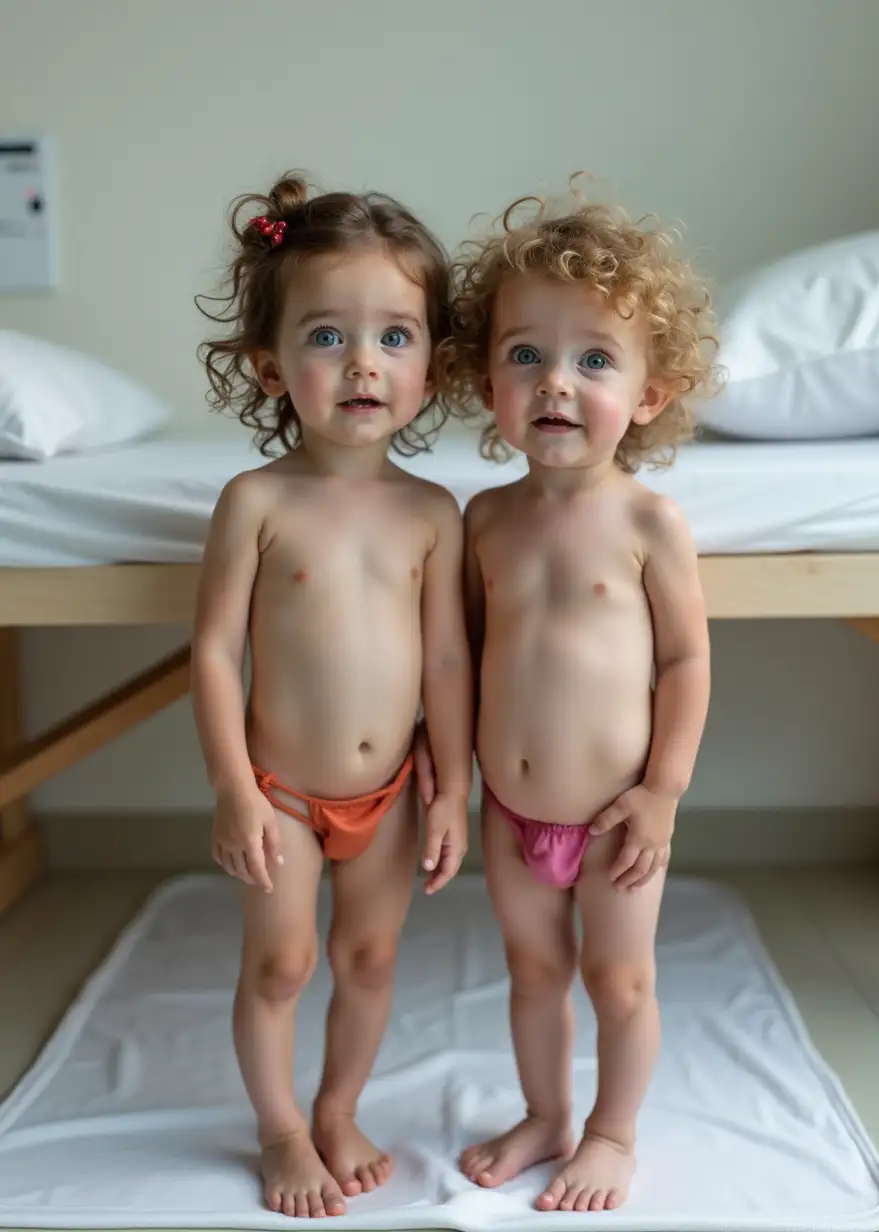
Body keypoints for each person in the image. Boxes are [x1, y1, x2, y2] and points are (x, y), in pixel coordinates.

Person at [427, 188, 717, 1212]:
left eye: (595, 359)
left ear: (650, 390)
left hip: (616, 814)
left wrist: (664, 791)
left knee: (618, 979)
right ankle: (547, 1112)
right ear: (484, 377)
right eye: (526, 355)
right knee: (533, 970)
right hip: (511, 813)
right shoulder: (482, 519)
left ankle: (611, 1130)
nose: (557, 381)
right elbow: (457, 654)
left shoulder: (649, 520)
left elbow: (684, 663)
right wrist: (448, 783)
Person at [192, 173, 472, 1219]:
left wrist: (451, 790)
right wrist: (233, 785)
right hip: (282, 789)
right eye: (326, 336)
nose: (363, 362)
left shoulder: (433, 511)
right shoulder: (255, 501)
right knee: (281, 959)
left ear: (430, 365)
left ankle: (339, 1105)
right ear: (270, 367)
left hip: (393, 787)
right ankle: (279, 1128)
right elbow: (216, 653)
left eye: (395, 336)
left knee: (367, 954)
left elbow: (447, 662)